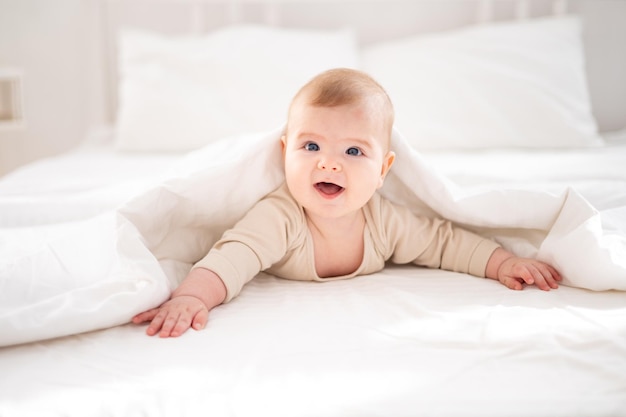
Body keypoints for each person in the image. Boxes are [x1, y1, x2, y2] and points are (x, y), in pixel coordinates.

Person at [132, 68, 562, 338]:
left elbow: (445, 242)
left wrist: (504, 263)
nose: (329, 164)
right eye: (311, 145)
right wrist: (192, 298)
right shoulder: (280, 216)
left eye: (353, 152)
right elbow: (231, 258)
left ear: (384, 170)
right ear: (284, 152)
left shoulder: (384, 222)